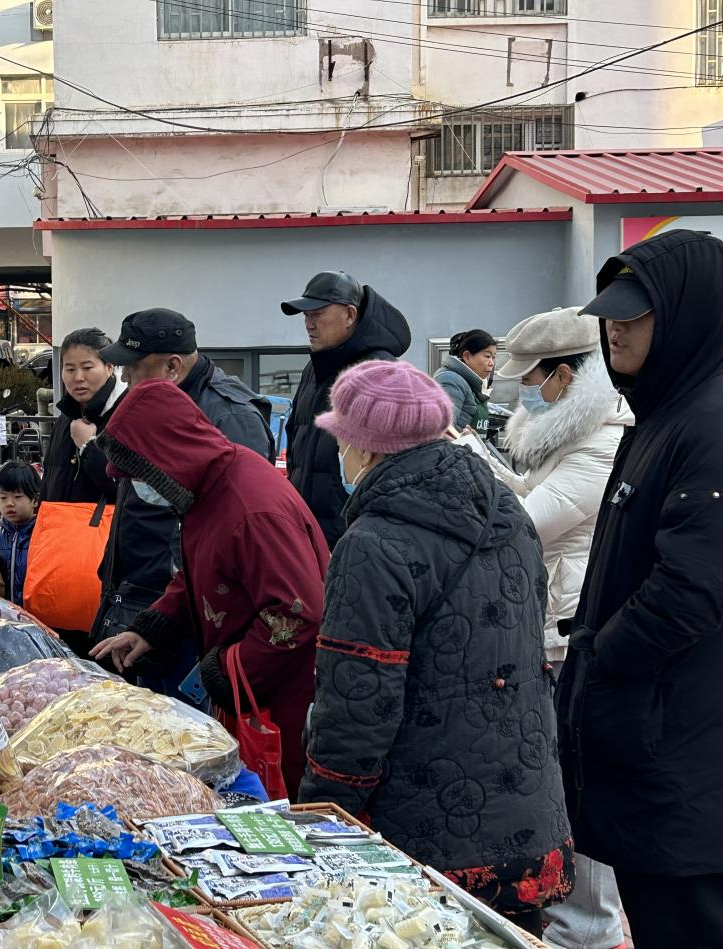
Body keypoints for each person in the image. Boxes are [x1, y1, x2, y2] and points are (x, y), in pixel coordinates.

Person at [298, 360, 573, 938]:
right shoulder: (508, 513)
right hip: (528, 813)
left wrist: (324, 813)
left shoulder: (374, 543)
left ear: (365, 447)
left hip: (426, 830)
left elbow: (359, 701)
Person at [556, 230, 723, 948]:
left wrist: (603, 658)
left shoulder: (708, 422)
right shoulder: (661, 411)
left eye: (635, 313)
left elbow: (691, 586)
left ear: (684, 314)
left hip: (683, 755)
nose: (614, 327)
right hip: (654, 748)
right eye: (610, 314)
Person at [90, 379, 328, 795]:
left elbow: (296, 610)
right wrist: (153, 628)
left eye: (146, 475)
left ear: (167, 456)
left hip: (280, 698)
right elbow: (201, 570)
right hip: (250, 688)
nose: (147, 489)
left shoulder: (250, 507)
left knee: (278, 801)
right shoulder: (209, 488)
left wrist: (227, 670)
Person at [485, 308, 631, 949]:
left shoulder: (602, 444)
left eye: (534, 378)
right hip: (550, 624)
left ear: (566, 375)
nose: (525, 390)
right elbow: (527, 495)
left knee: (580, 779)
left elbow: (526, 524)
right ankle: (571, 914)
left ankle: (590, 926)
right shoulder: (567, 437)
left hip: (571, 631)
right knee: (562, 775)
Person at [91, 308, 273, 696]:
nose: (123, 377)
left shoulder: (230, 416)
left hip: (195, 618)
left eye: (133, 366)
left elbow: (234, 544)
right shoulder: (154, 406)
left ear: (172, 366)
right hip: (155, 599)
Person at [280, 271, 410, 549]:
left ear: (350, 315)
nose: (308, 324)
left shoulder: (379, 373)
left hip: (357, 541)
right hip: (307, 535)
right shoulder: (314, 369)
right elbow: (296, 443)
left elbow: (397, 472)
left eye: (317, 314)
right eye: (305, 316)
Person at [40, 327, 124, 505]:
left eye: (87, 368)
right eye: (69, 369)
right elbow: (49, 479)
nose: (78, 377)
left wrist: (89, 447)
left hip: (105, 531)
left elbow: (129, 490)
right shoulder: (67, 415)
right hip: (59, 529)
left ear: (109, 367)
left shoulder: (127, 414)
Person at [0, 460, 40, 606]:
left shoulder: (43, 537)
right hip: (3, 616)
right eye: (3, 497)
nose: (9, 503)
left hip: (37, 618)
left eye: (17, 497)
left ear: (35, 500)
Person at [434, 328, 496, 436]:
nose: (491, 363)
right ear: (467, 356)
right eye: (487, 356)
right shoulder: (450, 380)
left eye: (493, 357)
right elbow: (444, 431)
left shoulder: (474, 385)